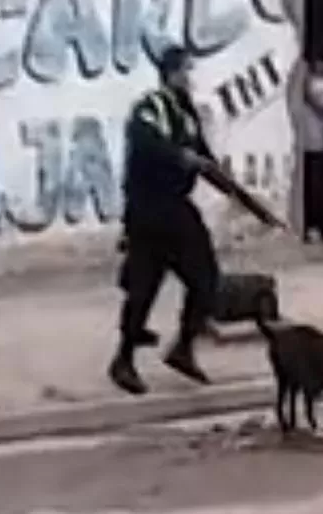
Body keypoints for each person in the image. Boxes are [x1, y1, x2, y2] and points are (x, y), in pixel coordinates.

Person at [109, 45, 225, 396]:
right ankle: (123, 361)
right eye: (186, 71)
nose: (190, 79)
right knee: (144, 287)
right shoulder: (151, 107)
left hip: (177, 207)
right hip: (149, 209)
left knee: (206, 279)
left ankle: (183, 347)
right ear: (172, 73)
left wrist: (230, 186)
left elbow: (204, 158)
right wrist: (181, 158)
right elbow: (147, 143)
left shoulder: (187, 112)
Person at [298, 51, 323, 243]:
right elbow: (321, 104)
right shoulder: (312, 83)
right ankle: (313, 225)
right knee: (314, 185)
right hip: (311, 142)